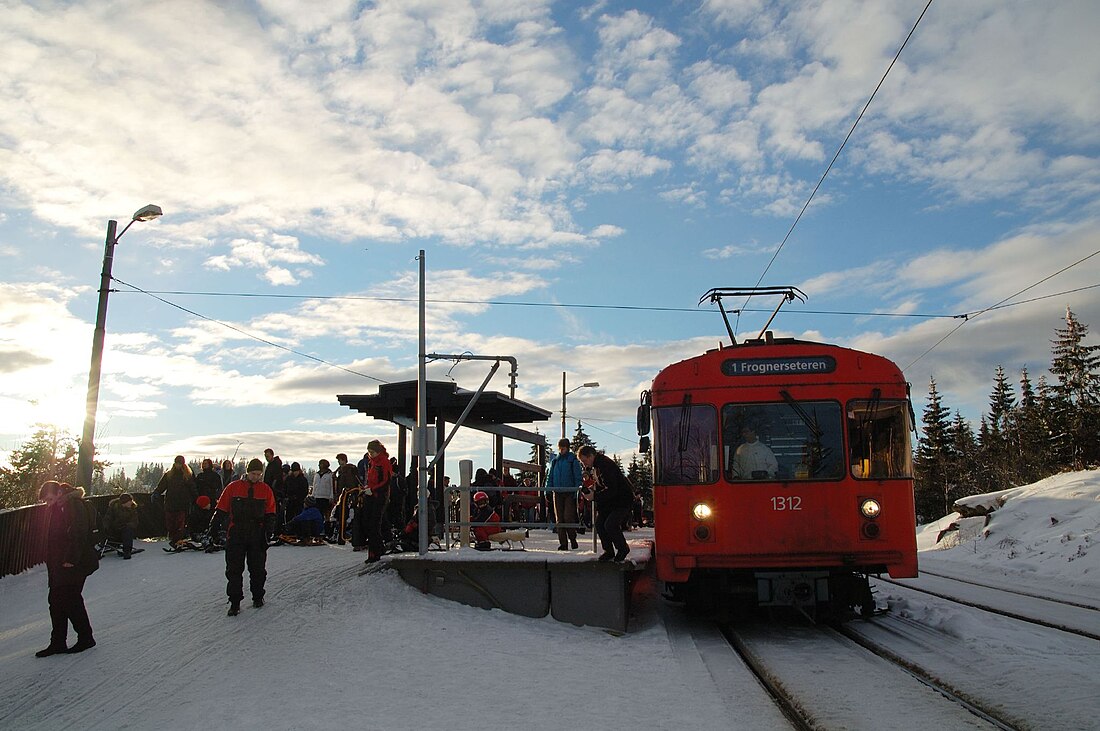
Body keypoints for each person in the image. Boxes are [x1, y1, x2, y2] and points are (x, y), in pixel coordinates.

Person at [36, 481, 99, 657]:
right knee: (56, 601)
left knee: (70, 599)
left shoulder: (73, 505)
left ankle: (85, 638)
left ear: (59, 492)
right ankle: (58, 642)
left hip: (74, 562)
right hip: (60, 563)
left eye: (49, 499)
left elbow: (78, 532)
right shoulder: (60, 506)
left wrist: (71, 558)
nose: (48, 504)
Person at [213, 458, 277, 616]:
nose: (256, 477)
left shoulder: (266, 490)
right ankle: (234, 602)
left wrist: (269, 531)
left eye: (259, 474)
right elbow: (221, 509)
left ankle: (257, 596)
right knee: (234, 569)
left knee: (258, 569)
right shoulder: (233, 487)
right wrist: (213, 527)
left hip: (257, 534)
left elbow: (271, 512)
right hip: (236, 533)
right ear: (247, 472)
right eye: (254, 474)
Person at [576, 446, 633, 562]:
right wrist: (593, 489)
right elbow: (603, 484)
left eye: (584, 461)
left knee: (610, 524)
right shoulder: (598, 465)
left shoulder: (604, 465)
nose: (584, 465)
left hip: (621, 500)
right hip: (612, 501)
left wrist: (595, 496)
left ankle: (622, 549)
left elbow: (612, 488)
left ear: (590, 456)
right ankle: (609, 551)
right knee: (600, 524)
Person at [360, 439, 393, 563]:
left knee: (374, 524)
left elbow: (386, 481)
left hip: (379, 496)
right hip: (371, 494)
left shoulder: (384, 462)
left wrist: (372, 489)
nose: (370, 454)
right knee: (368, 523)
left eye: (372, 452)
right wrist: (367, 488)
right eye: (369, 452)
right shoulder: (371, 462)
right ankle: (374, 551)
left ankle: (377, 551)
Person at [153, 455, 197, 548]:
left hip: (182, 503)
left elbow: (193, 488)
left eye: (180, 463)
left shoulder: (188, 475)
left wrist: (196, 498)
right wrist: (156, 492)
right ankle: (174, 539)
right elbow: (162, 486)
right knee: (170, 523)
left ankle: (177, 540)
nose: (178, 465)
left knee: (180, 523)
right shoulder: (169, 474)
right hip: (170, 502)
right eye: (177, 463)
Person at [546, 438, 583, 551]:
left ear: (567, 448)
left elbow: (578, 477)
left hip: (569, 492)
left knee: (568, 518)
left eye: (563, 448)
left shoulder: (573, 461)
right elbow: (550, 476)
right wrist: (547, 490)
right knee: (559, 520)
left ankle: (572, 538)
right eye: (560, 448)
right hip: (557, 492)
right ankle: (563, 543)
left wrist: (577, 491)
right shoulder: (555, 461)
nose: (561, 450)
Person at [103, 492, 139, 559]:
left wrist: (127, 525)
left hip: (126, 528)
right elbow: (108, 518)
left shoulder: (132, 508)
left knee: (128, 531)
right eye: (129, 501)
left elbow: (135, 521)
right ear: (124, 502)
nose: (131, 502)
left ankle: (127, 551)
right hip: (114, 528)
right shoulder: (114, 507)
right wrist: (105, 528)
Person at [263, 448, 286, 535]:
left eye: (268, 456)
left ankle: (277, 531)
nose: (266, 458)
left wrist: (273, 488)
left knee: (275, 512)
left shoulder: (275, 465)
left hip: (274, 492)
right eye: (265, 456)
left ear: (272, 455)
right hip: (270, 490)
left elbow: (276, 478)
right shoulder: (271, 465)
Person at [311, 458, 335, 534]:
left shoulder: (330, 475)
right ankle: (318, 530)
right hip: (317, 497)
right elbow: (314, 485)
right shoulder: (317, 475)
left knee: (327, 515)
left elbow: (332, 486)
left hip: (326, 497)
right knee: (318, 514)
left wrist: (331, 497)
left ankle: (327, 531)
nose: (319, 466)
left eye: (321, 464)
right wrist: (313, 495)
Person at [284, 461, 309, 527]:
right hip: (290, 502)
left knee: (299, 517)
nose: (295, 473)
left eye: (296, 471)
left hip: (299, 502)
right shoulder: (289, 479)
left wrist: (299, 498)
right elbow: (285, 489)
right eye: (294, 471)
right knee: (289, 517)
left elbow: (305, 491)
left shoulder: (303, 480)